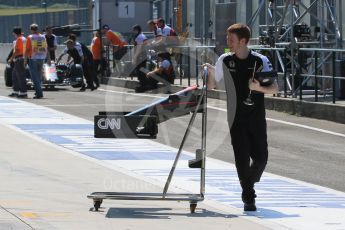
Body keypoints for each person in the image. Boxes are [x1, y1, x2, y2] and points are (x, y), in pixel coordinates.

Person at [205, 24, 278, 211]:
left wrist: (257, 88)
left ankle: (247, 181)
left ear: (243, 41)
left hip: (256, 117)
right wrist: (211, 74)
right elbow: (212, 88)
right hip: (235, 118)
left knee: (261, 159)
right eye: (227, 39)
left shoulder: (260, 61)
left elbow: (274, 89)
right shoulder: (224, 60)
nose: (227, 43)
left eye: (231, 40)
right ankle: (248, 196)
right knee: (242, 158)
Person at [24, 23, 50, 99]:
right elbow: (46, 48)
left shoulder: (30, 37)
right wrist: (49, 58)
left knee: (35, 77)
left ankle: (39, 93)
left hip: (33, 58)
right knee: (38, 77)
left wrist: (25, 60)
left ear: (31, 29)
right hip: (42, 58)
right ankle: (38, 91)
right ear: (37, 29)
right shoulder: (43, 37)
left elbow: (27, 49)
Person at [8, 27, 27, 98]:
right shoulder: (24, 38)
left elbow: (17, 51)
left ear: (14, 33)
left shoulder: (19, 39)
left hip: (19, 59)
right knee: (15, 76)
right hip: (22, 58)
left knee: (20, 77)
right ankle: (15, 91)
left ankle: (23, 93)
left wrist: (11, 58)